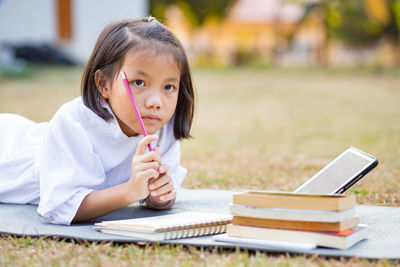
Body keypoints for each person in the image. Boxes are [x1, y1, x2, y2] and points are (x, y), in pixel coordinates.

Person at [0, 17, 195, 225]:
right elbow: (61, 207)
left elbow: (165, 194)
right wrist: (129, 191)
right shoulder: (73, 124)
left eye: (168, 87)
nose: (156, 102)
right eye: (139, 82)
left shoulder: (165, 129)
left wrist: (158, 195)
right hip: (8, 151)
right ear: (104, 84)